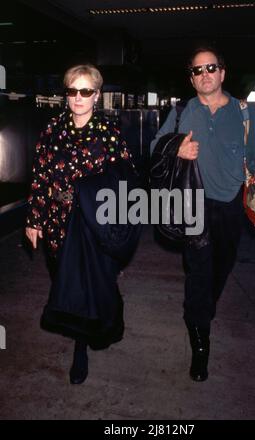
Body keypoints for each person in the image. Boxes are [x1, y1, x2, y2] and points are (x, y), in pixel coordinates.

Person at [150, 45, 255, 382]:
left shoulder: (244, 113)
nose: (205, 74)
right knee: (199, 272)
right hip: (193, 204)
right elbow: (154, 146)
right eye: (197, 70)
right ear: (191, 79)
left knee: (220, 268)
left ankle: (202, 310)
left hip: (230, 206)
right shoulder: (181, 112)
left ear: (222, 73)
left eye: (211, 68)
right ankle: (200, 343)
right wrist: (177, 146)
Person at [25, 64, 137, 385]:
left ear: (97, 95)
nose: (78, 97)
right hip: (58, 223)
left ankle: (80, 347)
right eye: (72, 90)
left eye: (85, 91)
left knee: (89, 283)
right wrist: (35, 219)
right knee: (66, 280)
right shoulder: (52, 129)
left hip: (91, 225)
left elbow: (124, 181)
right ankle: (86, 329)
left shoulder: (109, 133)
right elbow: (41, 176)